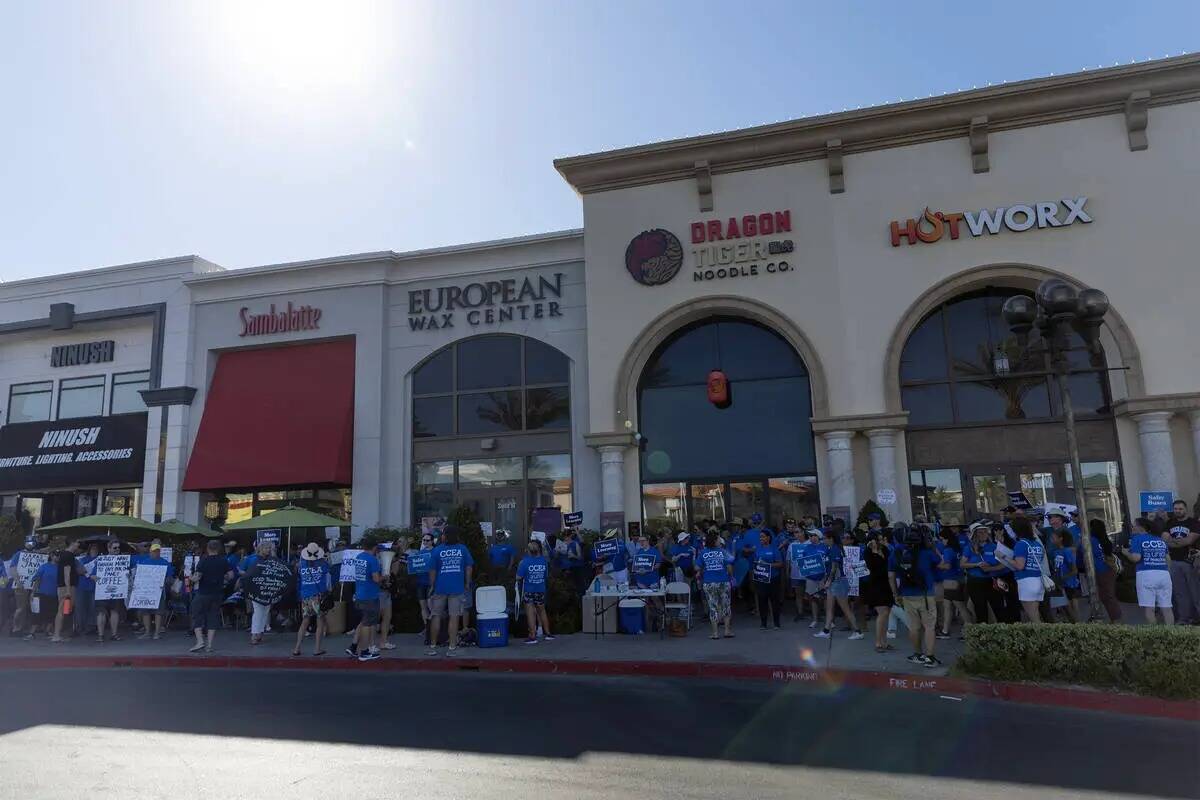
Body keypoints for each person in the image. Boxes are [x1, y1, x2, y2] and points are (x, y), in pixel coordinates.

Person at [888, 524, 940, 668]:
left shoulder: (897, 553)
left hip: (906, 593)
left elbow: (891, 576)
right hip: (925, 594)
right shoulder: (927, 553)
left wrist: (895, 594)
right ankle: (929, 657)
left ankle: (917, 654)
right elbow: (941, 564)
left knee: (914, 627)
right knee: (929, 626)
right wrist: (932, 546)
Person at [426, 525, 474, 657]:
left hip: (440, 588)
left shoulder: (437, 550)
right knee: (454, 617)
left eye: (443, 534)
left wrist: (432, 585)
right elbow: (469, 567)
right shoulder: (462, 549)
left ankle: (432, 646)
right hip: (457, 588)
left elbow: (432, 570)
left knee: (435, 616)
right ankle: (452, 647)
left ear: (445, 536)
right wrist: (467, 582)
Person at [1122, 517, 1173, 625]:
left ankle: (1154, 637)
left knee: (1150, 609)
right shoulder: (1159, 540)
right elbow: (1168, 559)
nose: (1132, 527)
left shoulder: (1137, 538)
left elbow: (1136, 558)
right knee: (1167, 608)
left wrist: (1126, 553)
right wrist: (1166, 572)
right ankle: (1171, 637)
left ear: (1140, 527)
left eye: (1134, 524)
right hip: (1164, 574)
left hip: (1146, 575)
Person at [815, 528, 863, 640]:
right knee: (829, 607)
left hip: (839, 582)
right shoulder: (831, 548)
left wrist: (828, 581)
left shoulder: (835, 549)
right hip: (834, 582)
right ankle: (826, 630)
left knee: (845, 608)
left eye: (824, 538)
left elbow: (834, 568)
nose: (823, 540)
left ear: (830, 538)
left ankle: (858, 631)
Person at [190, 540, 233, 653]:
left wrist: (190, 578)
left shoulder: (203, 561)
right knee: (213, 617)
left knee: (197, 615)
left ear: (208, 548)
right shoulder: (224, 561)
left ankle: (200, 642)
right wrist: (223, 579)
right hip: (217, 593)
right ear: (218, 549)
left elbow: (197, 577)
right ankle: (209, 645)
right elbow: (231, 575)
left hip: (203, 593)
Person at [1164, 499, 1200, 624]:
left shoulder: (1193, 523)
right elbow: (1164, 540)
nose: (1178, 511)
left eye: (1180, 509)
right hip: (1174, 562)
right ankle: (1184, 618)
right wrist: (1178, 542)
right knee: (1180, 592)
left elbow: (1189, 540)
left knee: (1196, 591)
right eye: (1176, 509)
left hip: (1190, 562)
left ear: (1185, 509)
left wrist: (1172, 542)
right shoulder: (1169, 523)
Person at [292, 542, 331, 656]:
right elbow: (329, 569)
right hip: (318, 596)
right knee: (320, 622)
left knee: (305, 622)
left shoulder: (302, 564)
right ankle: (317, 649)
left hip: (305, 596)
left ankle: (297, 648)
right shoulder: (322, 564)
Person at [698, 530, 734, 639]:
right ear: (714, 541)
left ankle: (715, 633)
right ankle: (727, 631)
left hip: (709, 582)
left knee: (712, 607)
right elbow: (729, 565)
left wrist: (705, 568)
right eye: (718, 539)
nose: (720, 540)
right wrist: (731, 576)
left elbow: (697, 567)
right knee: (726, 605)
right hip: (723, 581)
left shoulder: (703, 553)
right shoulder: (723, 551)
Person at [351, 542, 383, 661]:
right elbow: (376, 579)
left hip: (360, 594)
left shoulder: (359, 557)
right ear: (374, 548)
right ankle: (364, 651)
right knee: (367, 624)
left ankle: (362, 649)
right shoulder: (372, 560)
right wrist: (384, 577)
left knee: (365, 623)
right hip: (370, 595)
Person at [862, 532, 895, 652]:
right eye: (879, 540)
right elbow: (873, 568)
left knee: (886, 613)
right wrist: (875, 552)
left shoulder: (885, 550)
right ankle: (878, 642)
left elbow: (889, 564)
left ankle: (884, 641)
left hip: (886, 584)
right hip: (876, 585)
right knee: (882, 613)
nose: (881, 542)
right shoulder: (868, 553)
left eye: (882, 539)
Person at [516, 539, 553, 644]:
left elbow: (518, 577)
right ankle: (548, 633)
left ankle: (532, 635)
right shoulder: (543, 561)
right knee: (542, 611)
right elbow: (546, 576)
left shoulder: (524, 562)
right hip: (540, 589)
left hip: (529, 590)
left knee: (530, 613)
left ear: (528, 550)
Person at [934, 529, 970, 637]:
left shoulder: (948, 550)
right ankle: (945, 631)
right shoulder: (957, 549)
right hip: (958, 578)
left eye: (942, 539)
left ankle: (970, 630)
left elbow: (947, 566)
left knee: (961, 607)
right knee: (948, 606)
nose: (941, 542)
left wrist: (937, 565)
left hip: (951, 580)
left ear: (947, 539)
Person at [1010, 517, 1046, 623]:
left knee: (1033, 617)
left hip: (1026, 581)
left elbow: (1019, 566)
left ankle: (1043, 638)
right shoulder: (1037, 544)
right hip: (1038, 580)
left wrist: (1004, 557)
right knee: (1035, 614)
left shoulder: (1021, 544)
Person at [93, 539, 126, 642]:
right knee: (101, 613)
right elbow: (93, 574)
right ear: (109, 548)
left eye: (118, 547)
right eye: (115, 547)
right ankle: (101, 635)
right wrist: (94, 577)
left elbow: (126, 575)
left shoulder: (123, 561)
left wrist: (127, 576)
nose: (117, 549)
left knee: (115, 612)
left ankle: (114, 634)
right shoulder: (101, 560)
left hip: (117, 590)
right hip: (102, 590)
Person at [241, 543, 275, 645]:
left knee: (265, 611)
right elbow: (241, 570)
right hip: (256, 589)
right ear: (260, 549)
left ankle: (260, 632)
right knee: (258, 611)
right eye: (266, 548)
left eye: (269, 548)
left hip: (268, 589)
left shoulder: (271, 559)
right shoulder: (252, 559)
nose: (268, 550)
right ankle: (254, 634)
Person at [751, 528, 783, 630]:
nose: (761, 538)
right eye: (760, 537)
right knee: (762, 601)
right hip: (761, 580)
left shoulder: (774, 549)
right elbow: (755, 564)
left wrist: (768, 565)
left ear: (768, 538)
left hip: (773, 578)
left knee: (774, 601)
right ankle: (763, 623)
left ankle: (776, 623)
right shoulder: (758, 550)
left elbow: (780, 563)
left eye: (763, 537)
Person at [1049, 527, 1082, 622]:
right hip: (1060, 583)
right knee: (1064, 607)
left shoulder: (1067, 551)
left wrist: (1063, 578)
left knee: (1072, 607)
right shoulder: (1056, 552)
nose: (1052, 540)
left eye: (1054, 538)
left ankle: (1078, 624)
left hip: (1069, 584)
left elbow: (1074, 570)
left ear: (1061, 539)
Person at [407, 533, 435, 642]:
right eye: (424, 540)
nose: (425, 542)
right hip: (420, 582)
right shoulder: (420, 553)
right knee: (423, 607)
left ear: (432, 541)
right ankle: (427, 628)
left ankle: (434, 627)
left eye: (428, 540)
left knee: (431, 606)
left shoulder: (435, 552)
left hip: (430, 583)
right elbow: (415, 567)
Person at [52, 540, 80, 643]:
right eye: (77, 542)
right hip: (66, 587)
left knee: (66, 610)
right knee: (62, 610)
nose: (78, 544)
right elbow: (66, 573)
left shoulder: (65, 555)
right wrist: (68, 589)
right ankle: (56, 635)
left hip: (65, 586)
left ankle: (60, 634)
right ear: (72, 543)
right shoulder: (68, 555)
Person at [74, 542, 100, 637]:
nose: (95, 551)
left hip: (94, 588)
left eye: (96, 549)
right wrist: (89, 576)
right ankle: (80, 627)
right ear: (89, 550)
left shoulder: (101, 560)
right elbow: (78, 570)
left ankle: (91, 627)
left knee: (93, 608)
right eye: (93, 549)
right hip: (82, 586)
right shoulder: (82, 559)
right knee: (80, 607)